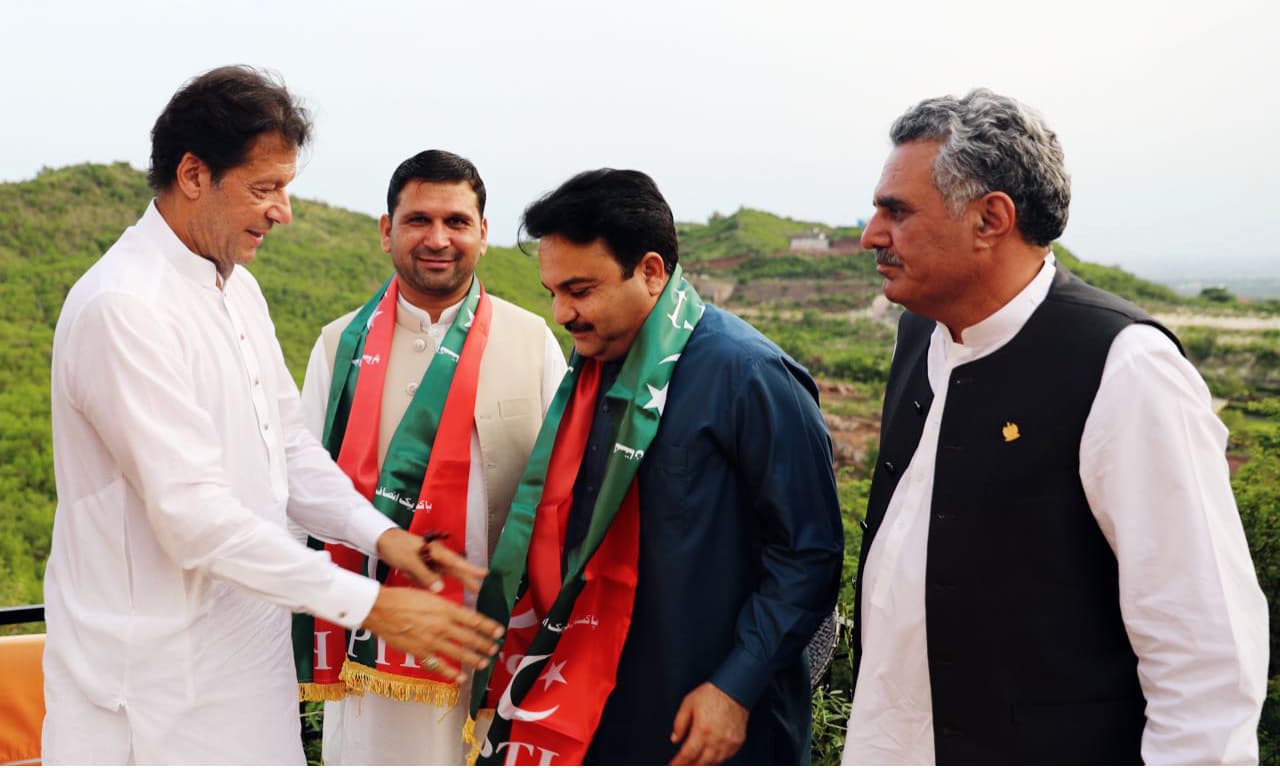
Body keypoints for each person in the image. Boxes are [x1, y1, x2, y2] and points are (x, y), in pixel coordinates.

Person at [43, 66, 502, 765]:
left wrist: (382, 537)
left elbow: (286, 447)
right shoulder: (124, 307)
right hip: (153, 697)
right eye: (265, 189)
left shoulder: (238, 289)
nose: (282, 211)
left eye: (284, 187)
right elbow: (194, 518)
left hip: (248, 673)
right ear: (193, 173)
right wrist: (371, 606)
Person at [843, 88, 1268, 765]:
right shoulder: (918, 338)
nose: (871, 234)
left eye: (896, 211)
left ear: (990, 219)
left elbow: (1204, 654)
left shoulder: (1127, 369)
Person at [467, 169, 844, 766]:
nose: (563, 313)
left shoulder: (748, 376)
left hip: (709, 721)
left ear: (650, 271)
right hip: (596, 706)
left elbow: (809, 555)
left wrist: (735, 687)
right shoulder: (593, 366)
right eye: (553, 292)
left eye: (581, 290)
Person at [294, 149, 566, 764]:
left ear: (484, 234)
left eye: (457, 222)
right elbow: (302, 491)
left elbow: (561, 493)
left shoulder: (532, 341)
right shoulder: (340, 344)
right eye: (418, 220)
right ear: (387, 230)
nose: (438, 239)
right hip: (378, 639)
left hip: (495, 644)